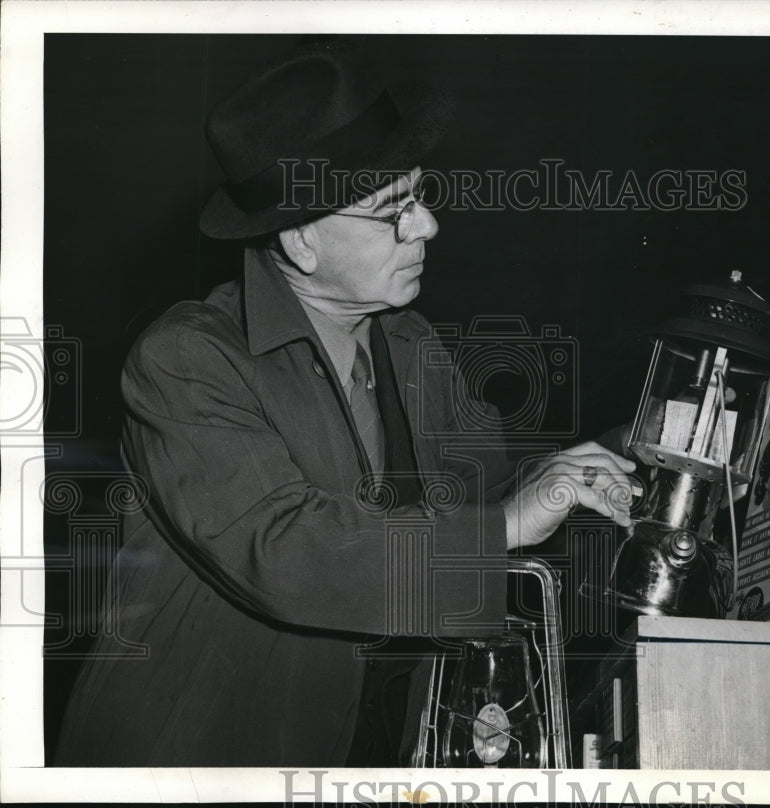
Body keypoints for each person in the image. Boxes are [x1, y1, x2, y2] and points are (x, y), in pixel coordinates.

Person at [54, 39, 636, 767]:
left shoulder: (411, 343)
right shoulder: (188, 359)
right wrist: (505, 527)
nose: (426, 225)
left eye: (421, 196)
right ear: (300, 241)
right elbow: (288, 552)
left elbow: (485, 497)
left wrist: (613, 455)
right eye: (393, 211)